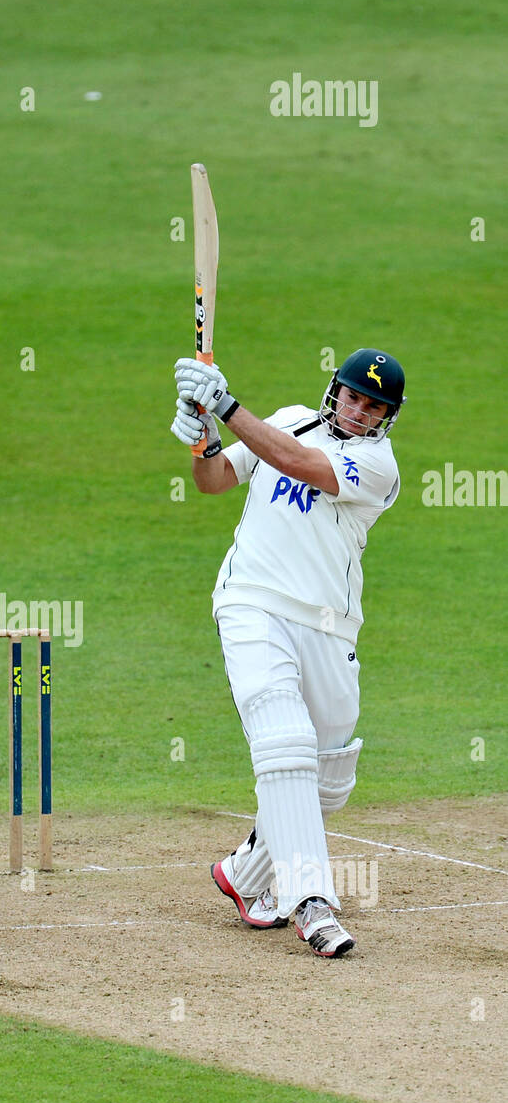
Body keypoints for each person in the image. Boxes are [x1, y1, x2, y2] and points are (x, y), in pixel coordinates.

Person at [172, 348, 406, 957]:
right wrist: (202, 439)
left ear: (387, 418)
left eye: (373, 406)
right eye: (353, 397)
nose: (359, 412)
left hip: (329, 625)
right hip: (250, 601)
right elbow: (216, 480)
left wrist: (223, 405)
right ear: (335, 391)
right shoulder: (291, 418)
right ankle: (311, 902)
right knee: (284, 744)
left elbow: (299, 464)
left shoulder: (377, 464)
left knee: (329, 777)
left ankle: (246, 874)